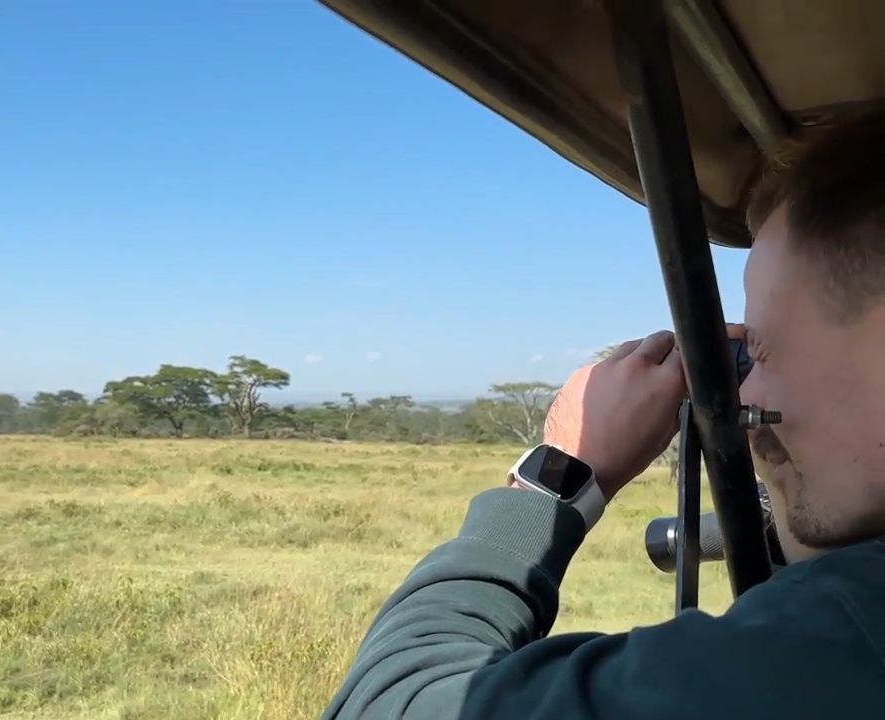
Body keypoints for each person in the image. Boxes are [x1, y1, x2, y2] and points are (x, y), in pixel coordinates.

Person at [320, 108, 885, 719]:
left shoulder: (843, 635)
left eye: (765, 350)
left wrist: (558, 477)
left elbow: (390, 703)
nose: (741, 398)